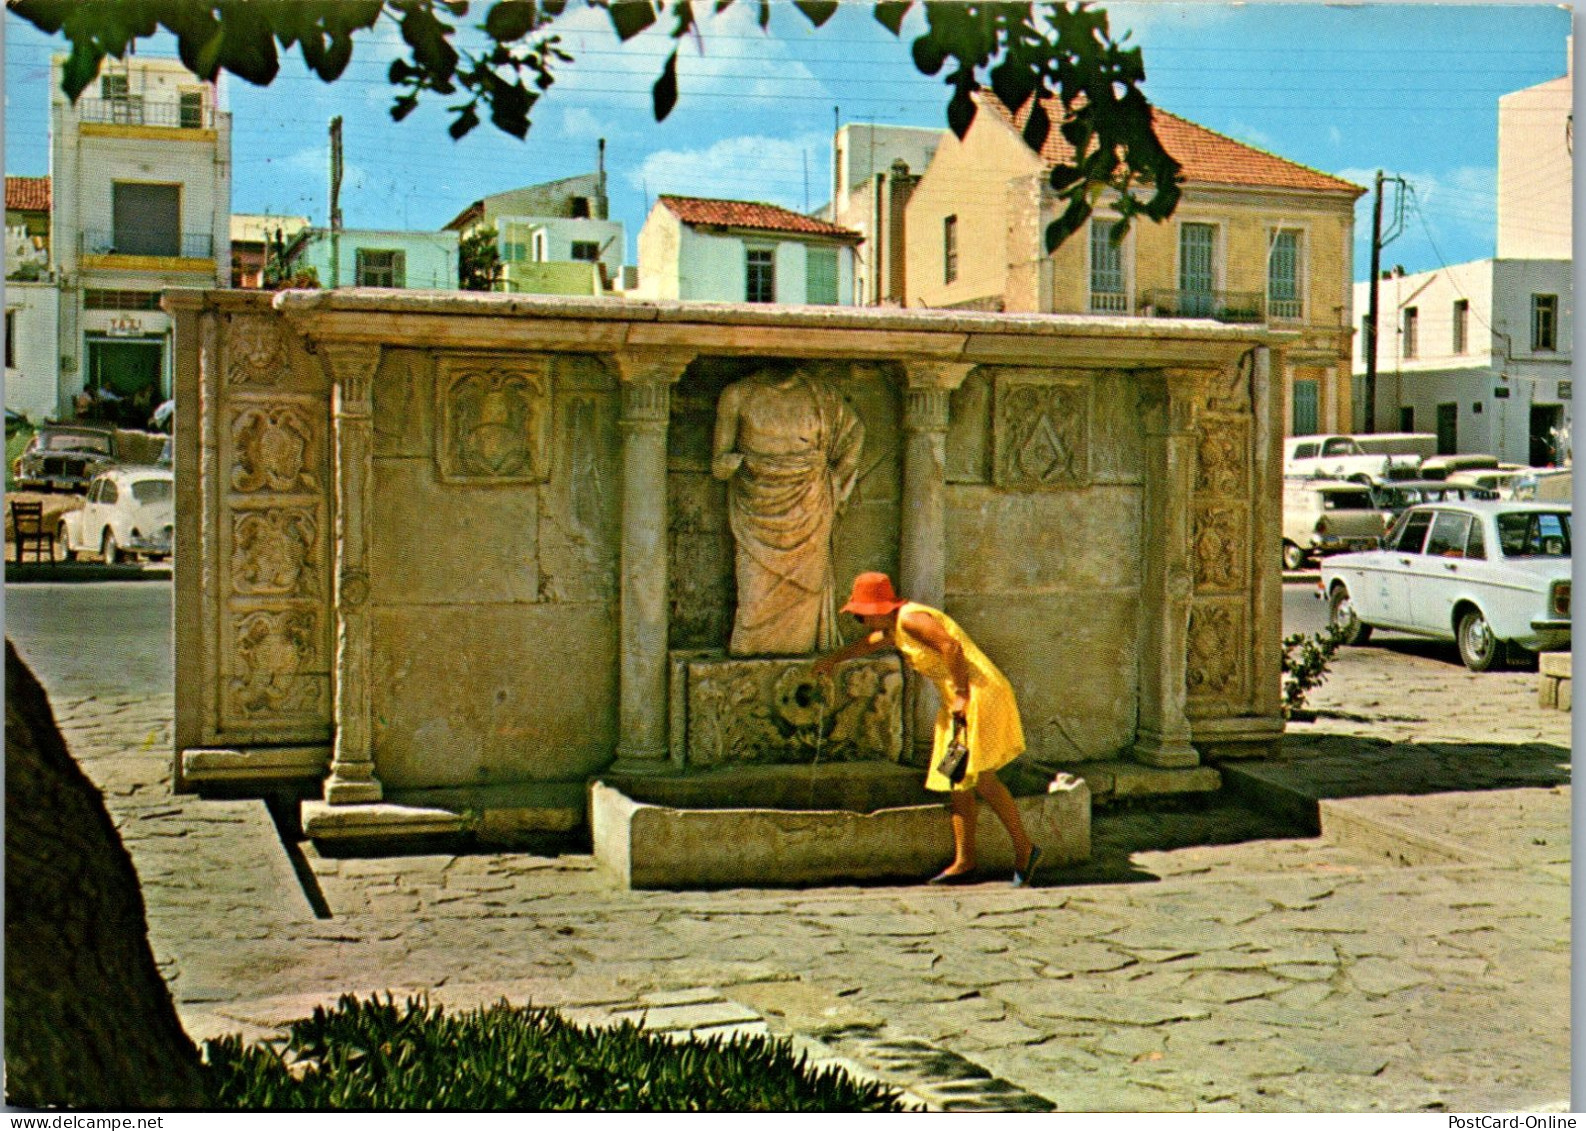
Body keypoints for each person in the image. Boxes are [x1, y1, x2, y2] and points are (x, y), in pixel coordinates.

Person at [814, 572, 1042, 886]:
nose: (857, 618)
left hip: (978, 695)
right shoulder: (895, 627)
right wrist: (833, 659)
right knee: (956, 779)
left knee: (983, 779)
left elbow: (951, 647)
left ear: (877, 608)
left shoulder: (910, 619)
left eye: (859, 613)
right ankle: (965, 861)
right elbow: (868, 645)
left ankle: (1025, 849)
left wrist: (962, 695)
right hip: (958, 701)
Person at [712, 364, 864, 657]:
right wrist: (727, 465)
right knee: (754, 594)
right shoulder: (737, 394)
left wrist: (835, 479)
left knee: (807, 591)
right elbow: (719, 462)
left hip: (810, 504)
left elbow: (854, 432)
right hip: (756, 506)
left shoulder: (821, 395)